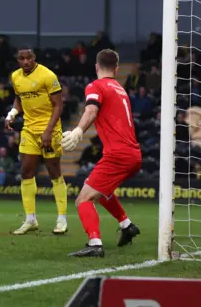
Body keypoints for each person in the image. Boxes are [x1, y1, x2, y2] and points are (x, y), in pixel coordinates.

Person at [61, 49, 141, 258]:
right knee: (103, 192)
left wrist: (78, 130)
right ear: (116, 68)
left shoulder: (95, 86)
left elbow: (91, 111)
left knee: (83, 200)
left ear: (96, 67)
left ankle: (94, 244)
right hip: (133, 154)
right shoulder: (120, 89)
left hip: (118, 155)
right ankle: (127, 225)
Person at [4, 46, 68, 235]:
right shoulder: (15, 76)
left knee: (54, 171)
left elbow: (58, 105)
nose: (25, 62)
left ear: (34, 58)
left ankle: (62, 219)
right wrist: (12, 114)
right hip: (29, 130)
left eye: (28, 58)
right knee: (26, 171)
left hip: (50, 130)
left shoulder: (47, 76)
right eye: (21, 58)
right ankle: (30, 219)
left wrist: (48, 131)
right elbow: (19, 98)